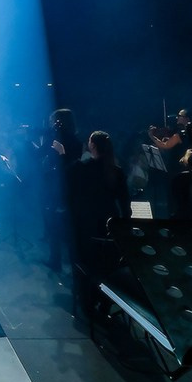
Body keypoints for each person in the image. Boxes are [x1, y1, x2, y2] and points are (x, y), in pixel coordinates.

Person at [66, 131, 131, 315]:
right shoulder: (117, 172)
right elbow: (125, 204)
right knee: (107, 266)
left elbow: (71, 195)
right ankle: (105, 301)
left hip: (87, 225)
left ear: (92, 146)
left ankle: (86, 301)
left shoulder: (82, 167)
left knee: (84, 262)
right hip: (109, 225)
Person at [40, 108, 83, 271]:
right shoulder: (71, 139)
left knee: (57, 223)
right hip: (61, 185)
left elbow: (69, 164)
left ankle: (58, 260)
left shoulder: (68, 141)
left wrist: (60, 153)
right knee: (57, 223)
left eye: (54, 121)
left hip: (61, 186)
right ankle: (57, 258)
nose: (52, 124)